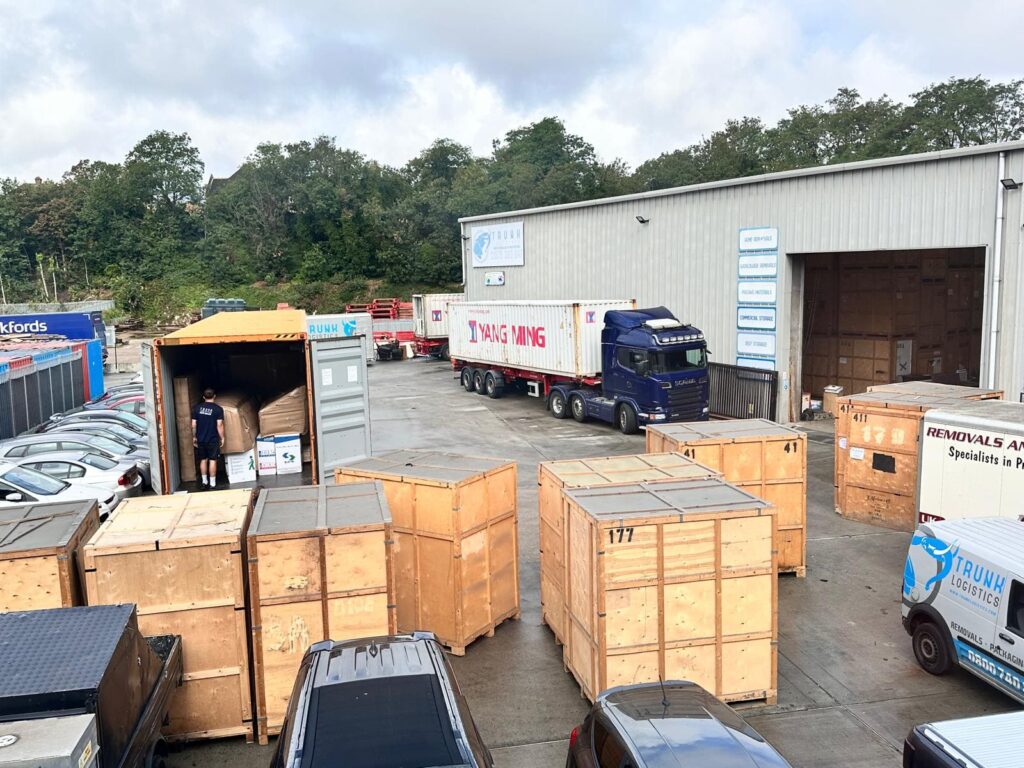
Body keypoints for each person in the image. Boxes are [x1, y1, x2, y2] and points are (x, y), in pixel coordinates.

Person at [192, 388, 225, 489]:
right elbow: (219, 425)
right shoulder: (218, 409)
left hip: (201, 439)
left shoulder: (197, 408)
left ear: (203, 397)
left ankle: (204, 482)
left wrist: (194, 437)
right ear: (214, 396)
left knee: (203, 460)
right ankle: (212, 483)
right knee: (212, 460)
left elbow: (193, 425)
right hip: (213, 439)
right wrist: (222, 437)